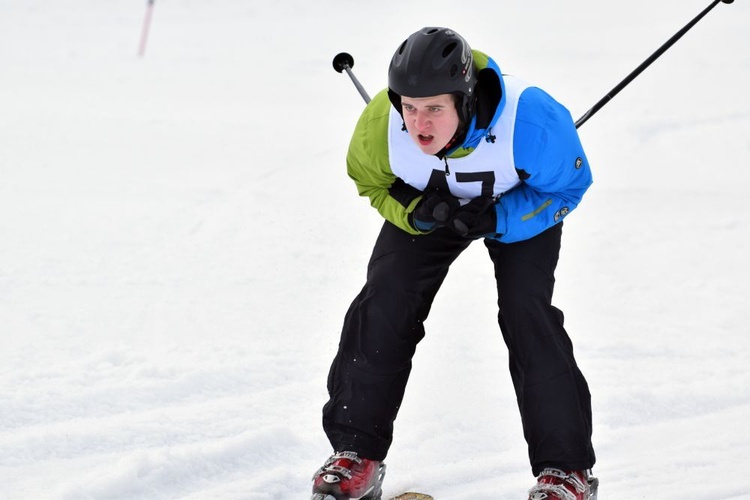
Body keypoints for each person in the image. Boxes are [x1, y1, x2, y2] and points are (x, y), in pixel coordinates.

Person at [312, 27, 597, 500]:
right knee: (385, 298)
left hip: (516, 209)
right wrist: (413, 211)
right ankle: (354, 453)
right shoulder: (379, 127)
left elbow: (567, 187)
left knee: (527, 311)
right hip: (429, 210)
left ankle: (566, 471)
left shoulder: (532, 122)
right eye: (409, 107)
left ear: (465, 100)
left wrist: (500, 216)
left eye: (434, 109)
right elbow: (370, 182)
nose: (419, 123)